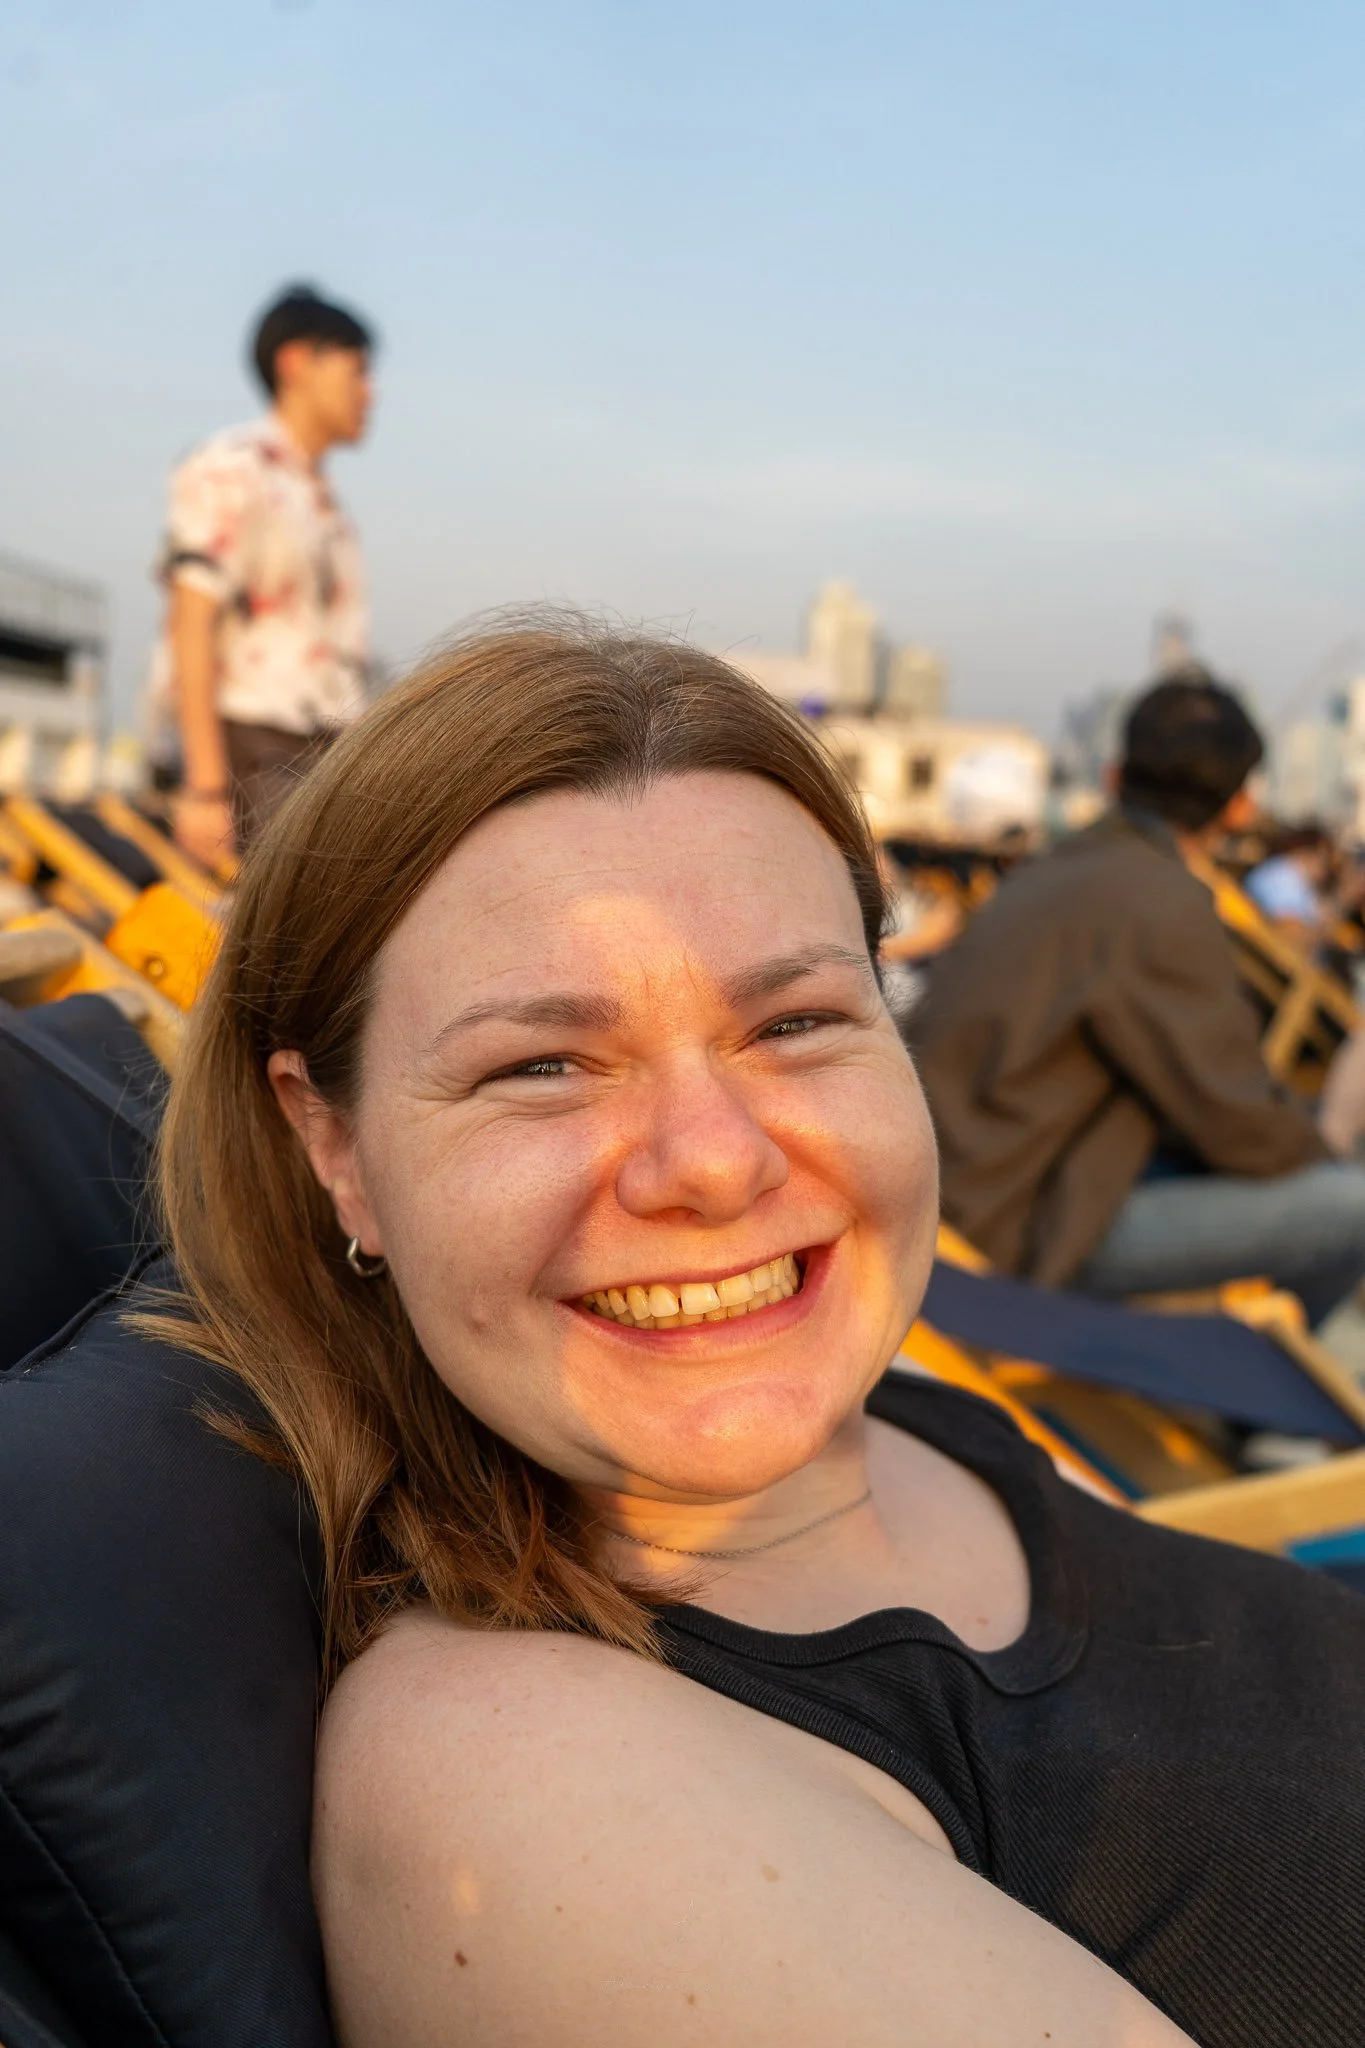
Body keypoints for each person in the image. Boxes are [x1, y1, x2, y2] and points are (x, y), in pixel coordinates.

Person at [147, 617, 1365, 2047]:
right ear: (333, 1146)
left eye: (792, 1024)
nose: (716, 1163)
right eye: (541, 1064)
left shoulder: (898, 1427)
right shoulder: (530, 1794)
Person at [913, 670, 1365, 1324]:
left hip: (965, 1187)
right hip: (1020, 1219)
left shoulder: (1065, 865)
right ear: (1238, 807)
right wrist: (1322, 1157)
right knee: (1348, 1207)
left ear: (1116, 775)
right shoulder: (1158, 898)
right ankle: (1255, 1418)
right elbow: (1236, 1122)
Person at [147, 283, 375, 866]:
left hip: (324, 747)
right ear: (296, 362)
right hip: (252, 746)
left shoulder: (327, 506)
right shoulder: (232, 467)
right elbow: (190, 620)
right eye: (357, 371)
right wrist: (204, 789)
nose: (368, 394)